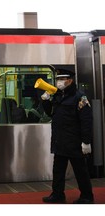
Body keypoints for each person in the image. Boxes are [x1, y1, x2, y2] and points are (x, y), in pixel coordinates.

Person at [41, 68, 94, 204]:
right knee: (58, 170)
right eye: (58, 79)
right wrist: (46, 101)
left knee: (80, 171)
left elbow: (86, 120)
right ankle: (57, 194)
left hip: (74, 141)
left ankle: (87, 196)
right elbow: (50, 113)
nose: (59, 82)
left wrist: (86, 141)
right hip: (60, 141)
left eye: (62, 79)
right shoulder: (58, 96)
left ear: (69, 80)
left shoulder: (79, 97)